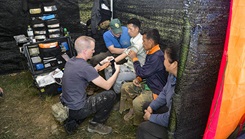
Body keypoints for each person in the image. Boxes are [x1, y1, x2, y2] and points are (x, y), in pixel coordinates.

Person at [60, 36, 120, 135]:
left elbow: (89, 72)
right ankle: (95, 124)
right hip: (78, 108)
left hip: (68, 104)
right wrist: (117, 71)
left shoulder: (71, 61)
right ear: (85, 51)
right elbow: (107, 85)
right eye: (92, 49)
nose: (94, 51)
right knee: (110, 95)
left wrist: (102, 62)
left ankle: (73, 119)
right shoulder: (85, 68)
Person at [120, 29, 168, 125]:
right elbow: (146, 72)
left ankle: (140, 123)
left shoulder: (157, 57)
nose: (142, 43)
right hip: (148, 83)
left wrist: (134, 58)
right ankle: (131, 110)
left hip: (155, 89)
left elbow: (142, 72)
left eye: (144, 41)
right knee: (124, 87)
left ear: (150, 41)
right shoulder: (151, 52)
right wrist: (139, 79)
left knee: (138, 103)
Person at [136, 44, 179, 139]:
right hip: (170, 113)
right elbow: (164, 93)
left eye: (165, 59)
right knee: (147, 106)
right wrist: (152, 106)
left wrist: (150, 118)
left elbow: (170, 119)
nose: (163, 62)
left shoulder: (181, 88)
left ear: (174, 64)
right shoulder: (172, 76)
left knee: (143, 127)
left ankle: (147, 131)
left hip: (178, 127)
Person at [104, 18, 146, 94]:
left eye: (130, 29)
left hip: (135, 70)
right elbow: (126, 52)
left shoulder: (140, 42)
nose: (128, 31)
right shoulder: (133, 39)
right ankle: (110, 90)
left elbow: (125, 54)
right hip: (128, 65)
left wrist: (112, 61)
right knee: (108, 69)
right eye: (128, 29)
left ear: (137, 29)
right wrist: (111, 63)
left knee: (118, 77)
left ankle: (115, 95)